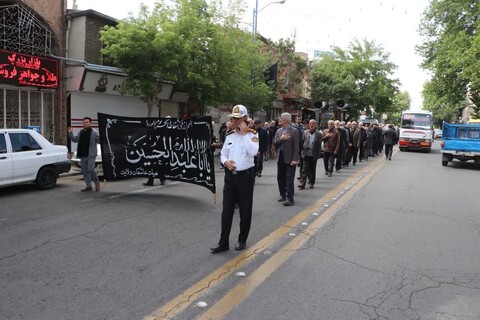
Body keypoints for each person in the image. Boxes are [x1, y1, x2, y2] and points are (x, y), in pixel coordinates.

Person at [210, 105, 259, 254]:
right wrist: (226, 162)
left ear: (245, 119)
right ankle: (223, 242)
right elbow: (224, 153)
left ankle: (242, 240)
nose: (236, 121)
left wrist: (244, 134)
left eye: (238, 118)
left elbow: (254, 152)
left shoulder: (252, 134)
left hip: (245, 177)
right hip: (230, 177)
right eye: (234, 118)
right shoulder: (229, 135)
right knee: (227, 211)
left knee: (245, 211)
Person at [273, 112, 300, 206]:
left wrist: (295, 159)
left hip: (290, 158)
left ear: (286, 120)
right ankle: (282, 195)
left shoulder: (294, 131)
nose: (279, 119)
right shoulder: (279, 131)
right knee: (280, 177)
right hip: (280, 157)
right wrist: (282, 138)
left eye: (281, 118)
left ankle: (290, 198)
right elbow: (275, 143)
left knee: (289, 179)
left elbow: (296, 146)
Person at [68, 117, 101, 192]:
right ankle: (88, 186)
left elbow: (99, 141)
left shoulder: (94, 132)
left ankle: (97, 183)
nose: (85, 123)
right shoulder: (80, 132)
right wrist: (70, 133)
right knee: (85, 171)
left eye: (87, 122)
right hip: (83, 154)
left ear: (90, 123)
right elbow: (75, 140)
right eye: (84, 122)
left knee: (91, 169)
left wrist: (103, 136)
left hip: (91, 154)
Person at [298, 119, 322, 189]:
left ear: (315, 125)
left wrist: (318, 155)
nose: (311, 125)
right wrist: (300, 151)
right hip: (306, 153)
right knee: (304, 169)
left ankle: (311, 182)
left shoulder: (319, 134)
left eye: (313, 124)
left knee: (312, 169)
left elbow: (319, 145)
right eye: (310, 123)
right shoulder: (305, 132)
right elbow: (302, 142)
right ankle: (303, 183)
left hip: (313, 154)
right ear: (309, 124)